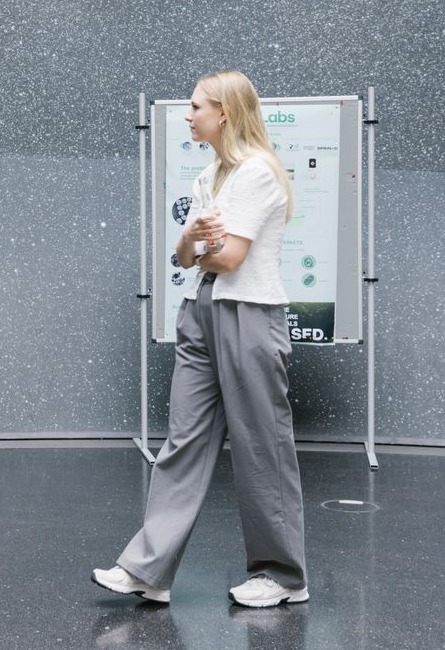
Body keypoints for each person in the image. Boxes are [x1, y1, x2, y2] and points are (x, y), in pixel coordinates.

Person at [92, 70, 308, 609]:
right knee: (182, 440)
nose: (188, 116)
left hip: (250, 314)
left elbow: (230, 257)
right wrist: (192, 241)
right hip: (201, 308)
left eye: (196, 107)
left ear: (225, 112)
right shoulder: (209, 176)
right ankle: (149, 570)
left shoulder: (257, 173)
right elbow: (186, 257)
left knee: (262, 446)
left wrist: (194, 244)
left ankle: (283, 577)